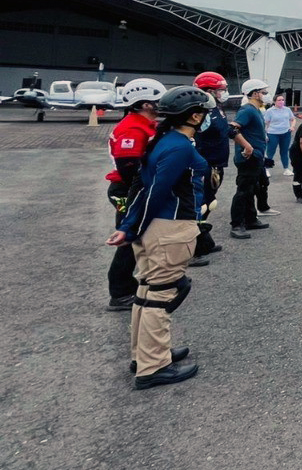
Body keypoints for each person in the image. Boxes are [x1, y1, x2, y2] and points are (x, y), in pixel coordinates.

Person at [106, 85, 215, 389]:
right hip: (169, 228)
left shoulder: (163, 140)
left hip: (156, 226)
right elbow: (156, 190)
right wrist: (132, 228)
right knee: (163, 295)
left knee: (147, 292)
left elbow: (140, 185)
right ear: (194, 116)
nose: (208, 117)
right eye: (204, 112)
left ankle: (144, 355)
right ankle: (153, 367)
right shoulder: (179, 146)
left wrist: (130, 227)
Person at [104, 78, 166, 310]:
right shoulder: (132, 127)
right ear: (147, 104)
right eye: (159, 100)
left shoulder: (146, 124)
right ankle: (120, 293)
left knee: (139, 237)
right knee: (129, 238)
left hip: (135, 187)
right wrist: (141, 194)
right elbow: (127, 166)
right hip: (127, 188)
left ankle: (134, 282)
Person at [191, 71, 233, 265]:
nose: (224, 93)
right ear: (208, 91)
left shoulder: (217, 108)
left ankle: (203, 241)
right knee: (199, 205)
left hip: (217, 163)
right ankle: (191, 248)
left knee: (209, 203)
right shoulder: (200, 113)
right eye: (221, 90)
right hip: (205, 164)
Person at [229, 79, 272, 239]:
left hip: (257, 157)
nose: (266, 96)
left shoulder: (256, 110)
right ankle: (237, 224)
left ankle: (250, 219)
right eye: (264, 92)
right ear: (255, 93)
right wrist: (247, 147)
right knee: (243, 190)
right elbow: (232, 128)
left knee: (253, 188)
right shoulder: (247, 110)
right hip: (248, 157)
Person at [263, 95, 295, 172]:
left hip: (285, 133)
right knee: (270, 152)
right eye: (279, 100)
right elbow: (265, 123)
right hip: (273, 133)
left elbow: (293, 119)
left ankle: (286, 168)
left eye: (282, 100)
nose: (281, 102)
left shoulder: (287, 110)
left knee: (284, 151)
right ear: (274, 102)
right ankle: (266, 169)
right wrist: (265, 135)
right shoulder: (270, 111)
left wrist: (292, 126)